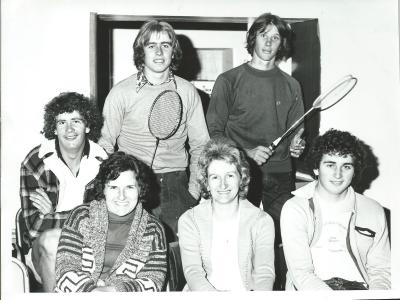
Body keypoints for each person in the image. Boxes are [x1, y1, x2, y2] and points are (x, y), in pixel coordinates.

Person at [98, 19, 209, 241]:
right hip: (131, 182)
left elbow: (201, 146)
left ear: (173, 51)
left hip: (175, 185)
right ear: (142, 52)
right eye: (151, 45)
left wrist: (193, 191)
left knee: (176, 261)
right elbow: (104, 145)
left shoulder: (188, 92)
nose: (159, 52)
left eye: (166, 45)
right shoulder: (121, 92)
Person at [206, 13, 305, 242]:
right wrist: (245, 154)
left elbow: (296, 133)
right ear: (253, 39)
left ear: (282, 43)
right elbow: (214, 132)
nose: (269, 42)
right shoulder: (228, 80)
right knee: (239, 238)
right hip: (239, 171)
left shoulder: (291, 85)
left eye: (275, 37)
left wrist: (297, 146)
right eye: (263, 35)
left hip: (280, 174)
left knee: (280, 240)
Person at [280, 129, 391, 290]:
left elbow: (381, 271)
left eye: (346, 166)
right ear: (316, 168)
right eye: (330, 165)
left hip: (359, 290)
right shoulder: (296, 208)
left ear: (354, 172)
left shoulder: (373, 210)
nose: (338, 174)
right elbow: (301, 273)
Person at [19, 92, 108, 291]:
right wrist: (85, 215)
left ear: (87, 126)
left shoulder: (103, 162)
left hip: (91, 248)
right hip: (43, 251)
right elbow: (35, 227)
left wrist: (53, 214)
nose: (69, 129)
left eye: (76, 121)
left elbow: (106, 221)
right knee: (53, 242)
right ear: (54, 128)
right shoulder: (36, 162)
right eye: (61, 123)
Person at [55, 152, 167, 292]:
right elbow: (65, 268)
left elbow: (154, 281)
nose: (122, 196)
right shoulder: (81, 216)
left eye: (129, 187)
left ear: (140, 189)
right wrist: (92, 292)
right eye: (113, 187)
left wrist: (113, 291)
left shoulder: (153, 229)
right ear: (103, 189)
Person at [178, 137, 275, 291]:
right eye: (215, 177)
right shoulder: (189, 220)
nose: (223, 184)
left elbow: (264, 273)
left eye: (230, 175)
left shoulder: (262, 221)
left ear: (241, 178)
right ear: (206, 183)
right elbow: (193, 272)